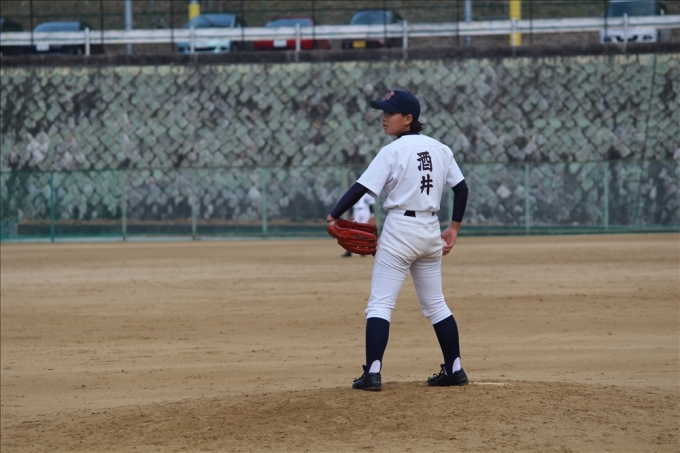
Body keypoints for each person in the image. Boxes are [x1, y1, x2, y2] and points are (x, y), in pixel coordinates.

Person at [326, 90, 469, 391]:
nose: (384, 117)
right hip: (430, 229)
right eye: (384, 112)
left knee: (380, 304)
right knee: (436, 305)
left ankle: (373, 373)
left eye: (390, 113)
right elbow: (461, 188)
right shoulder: (440, 149)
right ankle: (455, 368)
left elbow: (360, 187)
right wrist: (454, 228)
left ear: (408, 118)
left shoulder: (392, 151)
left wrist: (333, 215)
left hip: (400, 230)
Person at [341, 193, 376, 257]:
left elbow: (371, 205)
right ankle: (349, 251)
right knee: (352, 231)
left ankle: (362, 250)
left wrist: (372, 216)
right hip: (356, 211)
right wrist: (351, 214)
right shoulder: (356, 190)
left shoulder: (369, 192)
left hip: (366, 211)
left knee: (364, 232)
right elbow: (351, 203)